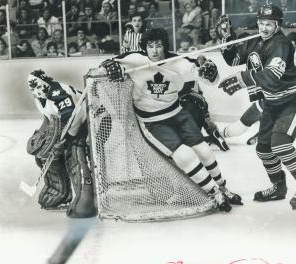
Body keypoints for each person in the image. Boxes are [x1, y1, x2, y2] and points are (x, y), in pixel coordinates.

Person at [99, 28, 242, 212]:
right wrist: (110, 67)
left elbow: (207, 78)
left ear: (165, 46)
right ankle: (214, 192)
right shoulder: (134, 59)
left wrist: (211, 73)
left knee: (204, 150)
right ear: (145, 48)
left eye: (159, 45)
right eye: (150, 46)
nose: (155, 51)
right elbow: (106, 64)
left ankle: (223, 186)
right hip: (153, 122)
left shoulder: (178, 61)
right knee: (185, 155)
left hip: (177, 113)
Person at [216, 4, 296, 210]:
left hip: (293, 99)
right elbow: (233, 58)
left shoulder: (282, 44)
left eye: (269, 24)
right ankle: (278, 187)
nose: (264, 28)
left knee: (279, 144)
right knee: (263, 148)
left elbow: (271, 76)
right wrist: (226, 37)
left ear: (278, 25)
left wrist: (243, 79)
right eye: (261, 23)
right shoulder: (256, 41)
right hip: (272, 101)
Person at [26, 70, 97, 218]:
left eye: (38, 85)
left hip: (91, 121)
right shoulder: (40, 98)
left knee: (74, 154)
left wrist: (64, 142)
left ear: (46, 82)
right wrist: (42, 135)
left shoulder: (58, 92)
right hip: (74, 125)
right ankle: (61, 193)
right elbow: (49, 118)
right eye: (32, 87)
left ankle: (87, 200)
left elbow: (73, 119)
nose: (36, 90)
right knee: (45, 154)